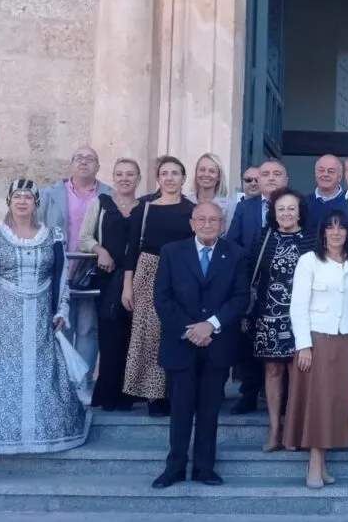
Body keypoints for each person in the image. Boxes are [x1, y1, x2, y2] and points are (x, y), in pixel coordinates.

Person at [151, 202, 249, 488]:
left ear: (222, 224)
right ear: (192, 223)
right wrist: (190, 330)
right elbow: (162, 298)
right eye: (202, 219)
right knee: (180, 409)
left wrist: (212, 325)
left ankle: (205, 467)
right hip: (181, 344)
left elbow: (241, 298)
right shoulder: (171, 252)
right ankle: (175, 467)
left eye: (214, 220)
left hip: (217, 344)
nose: (208, 224)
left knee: (209, 409)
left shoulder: (235, 254)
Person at [0, 179, 90, 453]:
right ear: (10, 202)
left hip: (40, 315)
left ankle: (41, 433)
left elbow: (60, 277)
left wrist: (61, 309)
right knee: (3, 371)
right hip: (4, 314)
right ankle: (4, 435)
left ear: (36, 203)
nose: (22, 201)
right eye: (17, 197)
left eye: (28, 197)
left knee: (42, 370)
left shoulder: (52, 235)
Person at [285, 210, 348, 488]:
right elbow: (297, 306)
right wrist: (304, 346)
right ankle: (315, 464)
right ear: (322, 232)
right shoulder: (308, 262)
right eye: (330, 228)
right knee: (317, 403)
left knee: (336, 405)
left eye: (341, 228)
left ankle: (323, 463)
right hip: (317, 342)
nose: (336, 233)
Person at [122, 156, 196, 416]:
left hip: (182, 273)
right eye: (164, 173)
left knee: (177, 331)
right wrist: (127, 285)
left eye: (175, 173)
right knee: (149, 335)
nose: (170, 178)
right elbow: (132, 249)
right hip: (149, 270)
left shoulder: (192, 210)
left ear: (183, 178)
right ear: (158, 178)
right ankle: (153, 395)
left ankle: (175, 391)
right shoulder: (144, 209)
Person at [38, 145, 113, 396]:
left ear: (98, 167)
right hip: (58, 271)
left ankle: (83, 383)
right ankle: (61, 385)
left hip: (90, 273)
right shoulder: (49, 195)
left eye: (90, 159)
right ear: (70, 164)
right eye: (78, 158)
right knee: (61, 328)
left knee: (88, 329)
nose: (83, 162)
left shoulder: (108, 195)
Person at [249, 188, 313, 451]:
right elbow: (250, 272)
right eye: (281, 209)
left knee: (298, 373)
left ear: (300, 212)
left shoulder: (312, 238)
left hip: (303, 316)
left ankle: (294, 430)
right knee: (273, 371)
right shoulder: (263, 237)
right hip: (269, 315)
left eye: (291, 208)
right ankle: (275, 428)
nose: (286, 213)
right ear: (273, 214)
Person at [79, 158, 142, 411]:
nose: (124, 178)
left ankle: (127, 394)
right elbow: (84, 237)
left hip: (138, 279)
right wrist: (100, 250)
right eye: (119, 174)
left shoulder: (146, 206)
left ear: (138, 178)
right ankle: (107, 394)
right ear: (113, 178)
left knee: (132, 336)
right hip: (108, 279)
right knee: (109, 335)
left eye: (130, 174)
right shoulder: (100, 204)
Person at [228, 158, 290, 415]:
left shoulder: (296, 206)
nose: (271, 178)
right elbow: (233, 244)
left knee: (285, 343)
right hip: (252, 284)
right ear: (259, 180)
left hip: (285, 286)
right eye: (266, 174)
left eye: (277, 174)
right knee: (250, 341)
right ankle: (249, 393)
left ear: (286, 180)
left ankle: (284, 396)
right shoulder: (245, 208)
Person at [186, 153, 236, 231]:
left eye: (212, 171)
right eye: (202, 170)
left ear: (219, 177)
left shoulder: (229, 206)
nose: (206, 174)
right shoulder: (186, 202)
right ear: (196, 173)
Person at [306, 154, 347, 236]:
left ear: (340, 176)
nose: (325, 174)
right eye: (321, 170)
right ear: (315, 174)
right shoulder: (303, 203)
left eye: (331, 171)